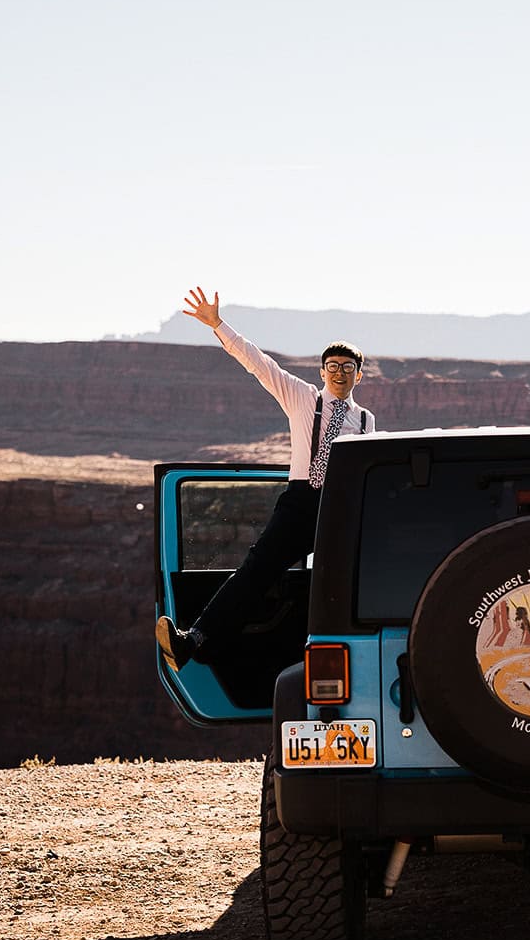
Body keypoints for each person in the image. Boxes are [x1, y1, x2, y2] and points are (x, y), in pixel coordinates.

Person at [156, 286, 375, 672]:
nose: (340, 373)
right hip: (301, 503)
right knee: (256, 572)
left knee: (337, 584)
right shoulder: (302, 397)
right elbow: (258, 363)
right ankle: (194, 643)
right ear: (322, 371)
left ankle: (335, 664)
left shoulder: (366, 421)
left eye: (348, 368)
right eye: (334, 366)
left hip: (342, 510)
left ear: (359, 375)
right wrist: (217, 325)